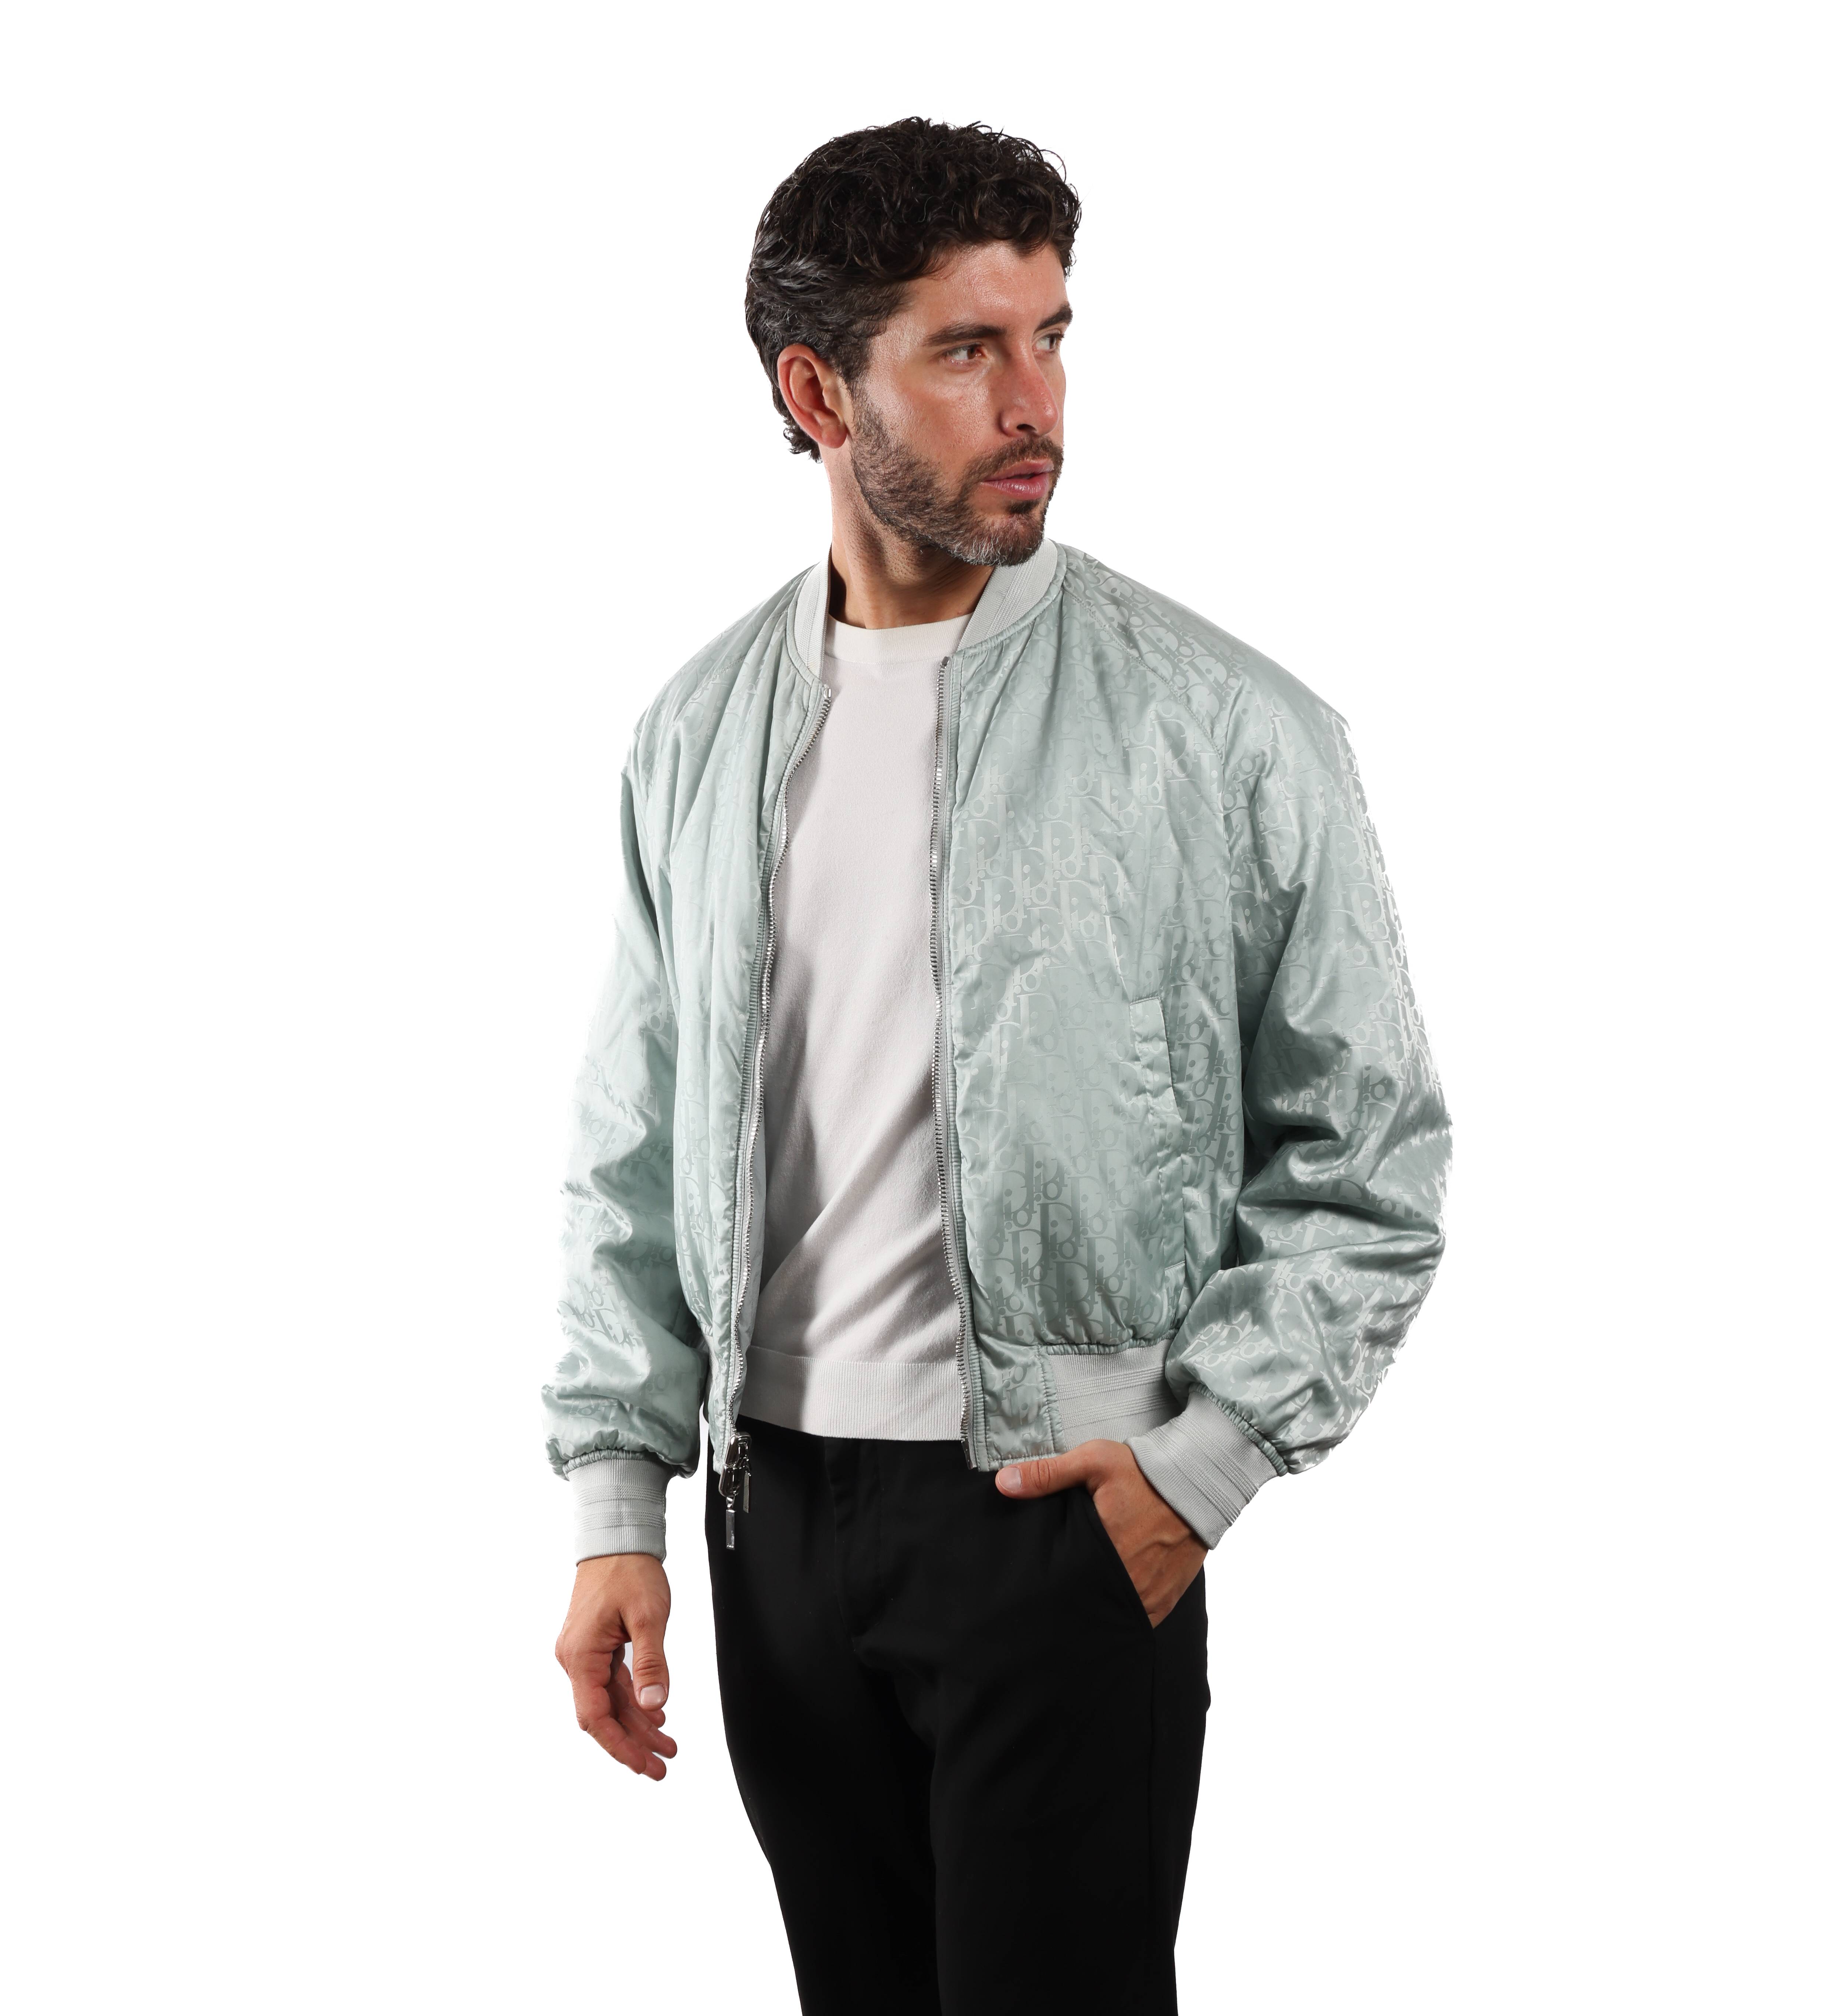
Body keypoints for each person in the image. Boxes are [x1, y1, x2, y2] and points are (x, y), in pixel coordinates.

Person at [545, 118, 1452, 2015]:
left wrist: (1199, 1462)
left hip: (1059, 1509)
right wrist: (619, 1505)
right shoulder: (695, 734)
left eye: (1048, 337)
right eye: (966, 350)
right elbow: (632, 1148)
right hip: (771, 1523)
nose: (1033, 401)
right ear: (817, 393)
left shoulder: (1223, 725)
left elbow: (1367, 1153)